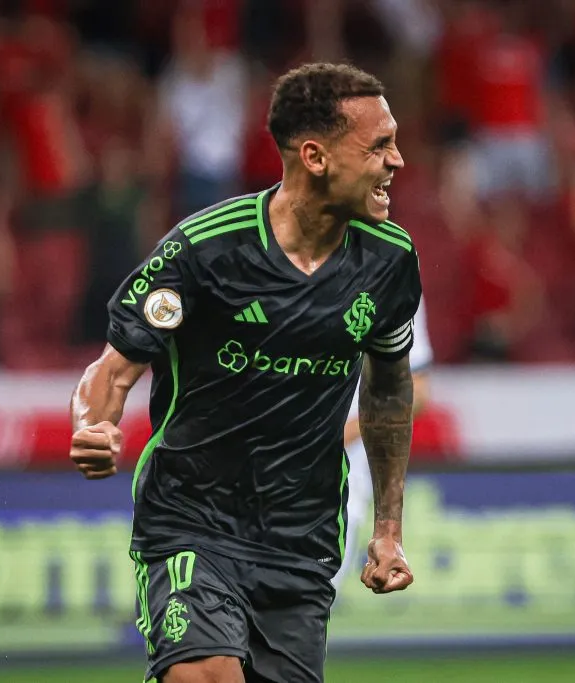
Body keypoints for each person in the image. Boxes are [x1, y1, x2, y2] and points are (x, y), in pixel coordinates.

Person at [69, 63, 421, 683]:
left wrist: (388, 529)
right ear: (314, 156)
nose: (397, 161)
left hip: (302, 539)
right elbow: (116, 366)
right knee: (206, 675)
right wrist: (95, 425)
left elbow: (390, 390)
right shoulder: (206, 251)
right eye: (379, 146)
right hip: (191, 521)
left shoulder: (391, 262)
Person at [332, 296, 432, 591]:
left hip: (336, 481)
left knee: (297, 624)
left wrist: (325, 439)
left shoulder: (388, 265)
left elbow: (418, 388)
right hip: (238, 477)